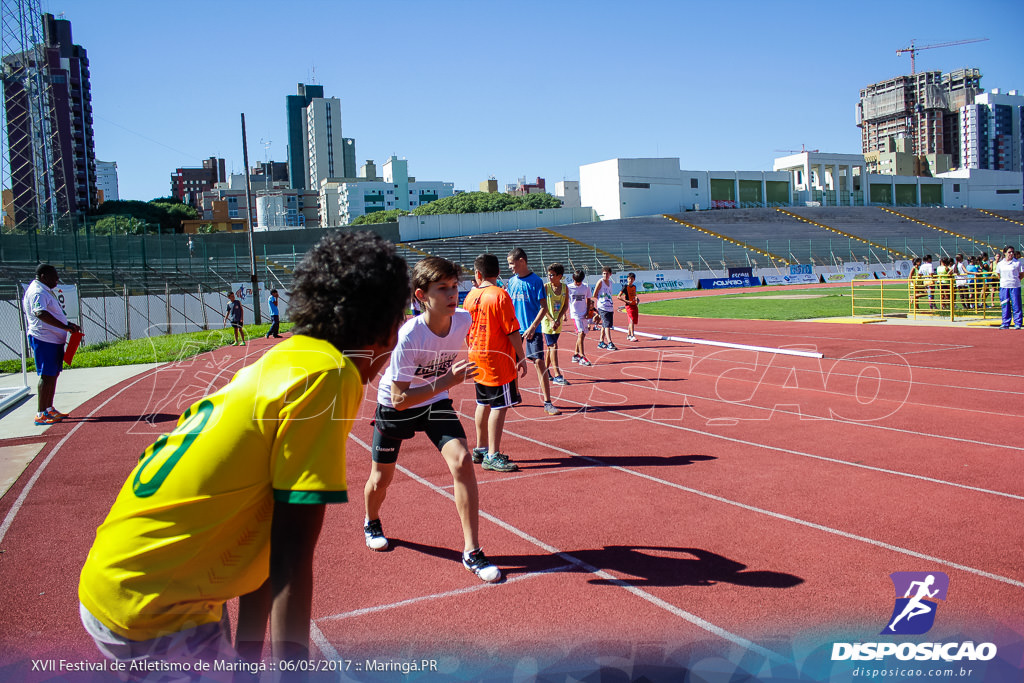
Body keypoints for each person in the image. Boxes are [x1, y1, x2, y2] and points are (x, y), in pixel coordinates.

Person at [78, 231, 410, 673]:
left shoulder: (287, 358)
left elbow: (268, 547)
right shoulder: (331, 374)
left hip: (129, 579)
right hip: (155, 607)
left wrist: (248, 665)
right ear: (385, 327)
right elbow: (292, 553)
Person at [362, 256, 501, 582]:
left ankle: (472, 551)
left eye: (455, 287)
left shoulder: (463, 321)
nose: (453, 294)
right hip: (396, 405)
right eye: (443, 289)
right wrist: (447, 381)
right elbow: (399, 400)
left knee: (463, 461)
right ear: (422, 295)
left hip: (435, 402)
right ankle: (371, 520)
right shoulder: (410, 336)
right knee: (381, 480)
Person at [464, 253, 527, 473]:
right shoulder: (500, 295)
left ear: (478, 274)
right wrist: (521, 357)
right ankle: (492, 454)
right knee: (500, 406)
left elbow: (466, 329)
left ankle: (481, 449)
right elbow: (512, 330)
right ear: (498, 272)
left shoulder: (470, 297)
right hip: (498, 359)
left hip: (476, 354)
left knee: (482, 402)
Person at [21, 264, 82, 426]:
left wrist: (67, 324)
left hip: (53, 339)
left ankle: (49, 408)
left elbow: (52, 314)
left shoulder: (44, 289)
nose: (57, 280)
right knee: (46, 375)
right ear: (43, 277)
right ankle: (41, 413)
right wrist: (64, 327)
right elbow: (40, 313)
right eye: (54, 277)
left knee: (53, 374)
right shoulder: (37, 292)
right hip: (44, 339)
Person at [505, 248, 559, 416]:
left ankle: (548, 401)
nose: (510, 267)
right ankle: (515, 395)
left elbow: (543, 307)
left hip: (532, 329)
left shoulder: (536, 281)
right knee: (511, 362)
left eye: (511, 263)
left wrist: (533, 326)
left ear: (522, 261)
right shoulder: (512, 281)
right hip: (514, 330)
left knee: (538, 362)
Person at [541, 263, 570, 386]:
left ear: (559, 276)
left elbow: (565, 305)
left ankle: (545, 372)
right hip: (547, 322)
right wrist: (552, 320)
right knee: (553, 346)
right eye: (548, 275)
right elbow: (543, 307)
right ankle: (557, 374)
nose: (549, 277)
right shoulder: (546, 287)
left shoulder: (565, 288)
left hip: (558, 322)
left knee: (550, 348)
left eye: (552, 275)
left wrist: (559, 318)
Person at [566, 269, 593, 367]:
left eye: (579, 281)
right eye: (576, 281)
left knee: (583, 335)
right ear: (573, 279)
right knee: (580, 333)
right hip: (575, 314)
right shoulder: (568, 287)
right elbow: (565, 301)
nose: (578, 283)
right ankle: (582, 356)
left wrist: (588, 312)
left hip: (584, 313)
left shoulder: (585, 287)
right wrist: (564, 314)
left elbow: (589, 298)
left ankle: (575, 354)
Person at [995, 245, 1023, 329]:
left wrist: (1015, 280)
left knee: (1016, 305)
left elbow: (1021, 274)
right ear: (1004, 253)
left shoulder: (1017, 263)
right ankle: (1005, 322)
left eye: (1012, 252)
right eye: (1009, 252)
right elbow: (999, 274)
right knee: (1005, 305)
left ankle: (1017, 323)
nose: (1011, 254)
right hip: (1004, 286)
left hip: (1015, 286)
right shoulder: (1000, 264)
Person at [593, 266, 618, 350]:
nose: (605, 275)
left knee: (605, 324)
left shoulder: (610, 283)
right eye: (604, 273)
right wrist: (601, 301)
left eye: (607, 273)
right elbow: (595, 294)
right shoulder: (600, 282)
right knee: (607, 325)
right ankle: (610, 342)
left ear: (610, 274)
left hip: (610, 306)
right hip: (602, 307)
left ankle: (601, 342)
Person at [617, 272, 641, 341]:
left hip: (634, 305)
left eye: (632, 279)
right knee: (631, 320)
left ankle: (628, 335)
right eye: (629, 279)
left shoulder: (634, 287)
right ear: (627, 279)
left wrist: (637, 299)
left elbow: (634, 294)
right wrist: (627, 301)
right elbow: (618, 296)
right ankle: (633, 335)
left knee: (632, 321)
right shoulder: (625, 287)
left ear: (634, 280)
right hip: (628, 306)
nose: (630, 281)